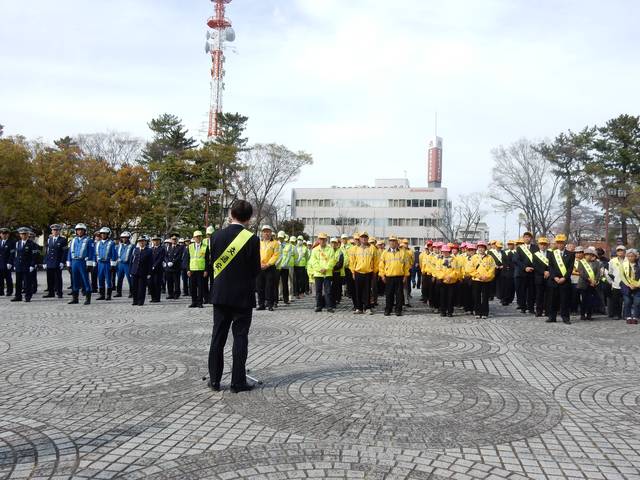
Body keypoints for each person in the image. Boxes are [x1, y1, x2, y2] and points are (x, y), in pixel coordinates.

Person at [207, 200, 261, 393]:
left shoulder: (216, 236)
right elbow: (256, 270)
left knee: (217, 337)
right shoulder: (253, 239)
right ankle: (237, 382)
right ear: (250, 217)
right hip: (242, 297)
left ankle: (214, 380)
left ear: (231, 214)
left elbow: (211, 265)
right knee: (240, 338)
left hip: (220, 295)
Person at [546, 234, 574, 324]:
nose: (560, 244)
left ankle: (565, 317)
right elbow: (550, 267)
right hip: (554, 280)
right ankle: (552, 317)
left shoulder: (570, 254)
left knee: (564, 300)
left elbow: (570, 268)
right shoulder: (552, 254)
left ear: (564, 243)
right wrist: (554, 277)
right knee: (552, 299)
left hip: (564, 281)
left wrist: (564, 278)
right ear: (556, 244)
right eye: (558, 243)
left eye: (561, 243)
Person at [378, 236, 409, 316]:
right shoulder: (385, 253)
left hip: (399, 276)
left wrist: (406, 276)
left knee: (399, 294)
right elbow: (381, 265)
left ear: (397, 242)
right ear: (389, 242)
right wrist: (382, 275)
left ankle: (398, 310)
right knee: (389, 294)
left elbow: (406, 265)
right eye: (391, 241)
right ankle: (388, 309)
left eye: (394, 241)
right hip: (389, 276)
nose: (392, 242)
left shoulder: (403, 252)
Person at [306, 233, 337, 313]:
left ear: (326, 240)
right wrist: (320, 269)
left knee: (328, 291)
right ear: (318, 240)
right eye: (321, 239)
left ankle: (329, 306)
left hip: (327, 273)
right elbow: (313, 261)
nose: (322, 240)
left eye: (324, 239)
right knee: (318, 291)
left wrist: (326, 269)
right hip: (318, 274)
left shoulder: (330, 249)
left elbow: (332, 261)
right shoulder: (315, 250)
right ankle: (319, 306)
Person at [67, 223, 96, 305]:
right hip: (74, 262)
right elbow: (69, 252)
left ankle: (88, 298)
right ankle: (75, 298)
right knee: (74, 280)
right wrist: (68, 264)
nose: (79, 231)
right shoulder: (73, 240)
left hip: (83, 262)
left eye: (81, 230)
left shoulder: (89, 240)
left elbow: (91, 252)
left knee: (85, 280)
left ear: (84, 231)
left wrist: (90, 264)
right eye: (78, 230)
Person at [351, 232, 375, 314]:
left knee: (367, 291)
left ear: (368, 238)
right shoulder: (355, 249)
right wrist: (353, 272)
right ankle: (359, 308)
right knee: (358, 291)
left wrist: (374, 271)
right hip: (358, 272)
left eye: (365, 237)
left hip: (368, 272)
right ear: (360, 239)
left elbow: (376, 260)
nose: (364, 239)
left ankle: (367, 307)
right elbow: (352, 262)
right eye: (362, 237)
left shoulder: (372, 248)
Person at [10, 227, 37, 302]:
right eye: (22, 234)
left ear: (28, 234)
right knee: (18, 282)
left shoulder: (32, 244)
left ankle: (28, 296)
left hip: (27, 266)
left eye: (25, 234)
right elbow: (16, 255)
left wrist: (32, 265)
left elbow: (34, 256)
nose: (23, 236)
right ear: (20, 235)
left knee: (27, 282)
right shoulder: (17, 243)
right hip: (19, 265)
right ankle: (18, 296)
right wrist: (15, 264)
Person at [471, 241, 496, 319]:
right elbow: (470, 268)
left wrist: (487, 276)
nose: (481, 249)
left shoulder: (490, 257)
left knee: (485, 297)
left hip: (486, 280)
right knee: (476, 296)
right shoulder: (474, 257)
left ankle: (485, 312)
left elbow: (492, 268)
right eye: (479, 247)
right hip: (476, 280)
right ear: (477, 248)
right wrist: (479, 276)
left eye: (482, 247)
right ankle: (477, 312)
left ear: (485, 248)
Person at [257, 225, 279, 311]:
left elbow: (276, 255)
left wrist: (268, 264)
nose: (266, 233)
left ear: (271, 233)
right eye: (264, 231)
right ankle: (261, 304)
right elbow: (256, 254)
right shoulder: (258, 242)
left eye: (268, 231)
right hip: (259, 267)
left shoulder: (275, 243)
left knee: (269, 286)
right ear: (262, 233)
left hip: (270, 267)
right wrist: (259, 264)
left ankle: (270, 304)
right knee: (260, 286)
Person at [514, 231, 537, 314]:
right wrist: (525, 267)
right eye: (525, 237)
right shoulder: (519, 248)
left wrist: (532, 267)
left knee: (531, 291)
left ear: (531, 238)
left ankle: (531, 308)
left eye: (529, 237)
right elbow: (516, 260)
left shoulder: (535, 247)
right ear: (523, 238)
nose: (527, 238)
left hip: (532, 273)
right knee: (522, 291)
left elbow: (537, 259)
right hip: (522, 273)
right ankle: (523, 307)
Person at [186, 230, 210, 308]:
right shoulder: (190, 247)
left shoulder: (205, 247)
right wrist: (188, 269)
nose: (198, 238)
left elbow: (207, 260)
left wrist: (206, 270)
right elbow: (187, 259)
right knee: (192, 287)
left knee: (200, 287)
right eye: (196, 237)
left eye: (199, 236)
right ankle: (194, 302)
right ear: (194, 238)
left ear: (201, 237)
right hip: (192, 270)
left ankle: (200, 302)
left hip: (201, 270)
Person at [43, 224, 67, 298]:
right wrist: (45, 261)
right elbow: (47, 252)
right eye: (54, 230)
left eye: (57, 230)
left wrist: (62, 262)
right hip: (50, 262)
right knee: (49, 278)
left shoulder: (63, 240)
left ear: (59, 231)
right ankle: (51, 292)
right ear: (52, 231)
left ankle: (59, 293)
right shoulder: (49, 239)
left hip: (57, 262)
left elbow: (64, 252)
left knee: (58, 278)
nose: (55, 231)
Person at [577, 247, 601, 321]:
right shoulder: (581, 262)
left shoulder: (596, 263)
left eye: (590, 255)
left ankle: (589, 315)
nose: (588, 256)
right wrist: (589, 279)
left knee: (591, 300)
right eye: (587, 255)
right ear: (584, 255)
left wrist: (595, 281)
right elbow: (581, 273)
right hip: (583, 284)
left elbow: (598, 273)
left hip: (593, 285)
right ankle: (582, 314)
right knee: (583, 300)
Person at [95, 227, 117, 301]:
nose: (103, 235)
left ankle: (108, 295)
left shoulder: (111, 243)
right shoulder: (98, 243)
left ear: (108, 235)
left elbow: (114, 254)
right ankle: (102, 295)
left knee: (108, 279)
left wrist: (113, 264)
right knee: (100, 279)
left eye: (105, 234)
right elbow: (95, 254)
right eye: (102, 234)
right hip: (100, 263)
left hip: (108, 263)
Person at [130, 236, 152, 306]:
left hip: (143, 272)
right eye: (140, 241)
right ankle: (135, 300)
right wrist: (131, 270)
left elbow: (150, 262)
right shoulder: (135, 250)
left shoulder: (149, 250)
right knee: (134, 287)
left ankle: (140, 301)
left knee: (141, 288)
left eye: (143, 241)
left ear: (145, 242)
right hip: (135, 271)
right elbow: (131, 261)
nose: (141, 242)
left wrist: (149, 273)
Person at [620, 249, 640, 324]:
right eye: (629, 256)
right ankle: (628, 316)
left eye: (632, 256)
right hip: (626, 285)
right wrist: (628, 284)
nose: (630, 258)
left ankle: (635, 317)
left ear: (636, 256)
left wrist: (637, 285)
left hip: (637, 286)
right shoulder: (623, 264)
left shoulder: (638, 264)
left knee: (637, 301)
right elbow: (622, 276)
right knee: (627, 301)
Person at [532, 237, 550, 317]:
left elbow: (553, 265)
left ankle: (547, 311)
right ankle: (538, 311)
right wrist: (543, 272)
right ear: (538, 245)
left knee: (548, 295)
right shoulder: (535, 255)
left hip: (549, 277)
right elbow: (535, 266)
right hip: (539, 277)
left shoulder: (551, 253)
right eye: (541, 244)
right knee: (539, 295)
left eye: (544, 244)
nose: (542, 246)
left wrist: (548, 272)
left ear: (547, 245)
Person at [607, 245, 626, 320]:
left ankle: (626, 314)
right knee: (616, 300)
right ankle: (617, 314)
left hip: (627, 284)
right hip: (616, 283)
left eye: (622, 250)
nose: (620, 252)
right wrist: (611, 282)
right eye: (618, 250)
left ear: (625, 252)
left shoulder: (628, 260)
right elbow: (610, 273)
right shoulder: (612, 261)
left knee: (626, 300)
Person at [274, 231, 293, 305]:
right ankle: (275, 301)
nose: (280, 238)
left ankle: (286, 299)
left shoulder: (288, 245)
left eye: (282, 237)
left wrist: (284, 264)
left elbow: (288, 256)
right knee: (276, 284)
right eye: (279, 237)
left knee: (285, 283)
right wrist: (275, 264)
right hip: (277, 267)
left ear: (284, 237)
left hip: (285, 267)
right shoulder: (275, 244)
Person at [115, 232, 134, 298]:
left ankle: (132, 292)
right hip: (120, 264)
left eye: (126, 237)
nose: (124, 239)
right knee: (119, 279)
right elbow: (116, 255)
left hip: (128, 264)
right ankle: (118, 292)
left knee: (130, 279)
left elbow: (133, 256)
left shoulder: (132, 246)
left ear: (128, 238)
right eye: (123, 237)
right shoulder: (119, 246)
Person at [330, 237, 345, 307]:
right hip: (329, 272)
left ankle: (335, 301)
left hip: (336, 272)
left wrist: (333, 268)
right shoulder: (328, 251)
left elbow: (340, 263)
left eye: (335, 243)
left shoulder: (340, 252)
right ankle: (330, 301)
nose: (333, 244)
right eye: (332, 243)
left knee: (336, 287)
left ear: (337, 244)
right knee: (329, 288)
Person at [500, 241, 516, 306]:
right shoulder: (505, 252)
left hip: (514, 271)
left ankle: (510, 299)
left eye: (511, 245)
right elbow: (504, 261)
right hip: (507, 271)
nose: (510, 246)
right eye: (509, 245)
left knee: (513, 287)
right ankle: (505, 299)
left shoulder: (516, 252)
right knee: (507, 286)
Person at [0, 227, 15, 297]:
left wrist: (10, 262)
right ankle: (1, 291)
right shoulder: (0, 242)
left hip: (7, 263)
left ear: (8, 235)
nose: (4, 235)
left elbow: (12, 253)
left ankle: (9, 291)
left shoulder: (11, 243)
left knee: (8, 278)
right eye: (3, 234)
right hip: (0, 263)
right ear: (0, 234)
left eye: (5, 234)